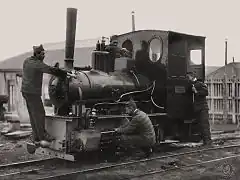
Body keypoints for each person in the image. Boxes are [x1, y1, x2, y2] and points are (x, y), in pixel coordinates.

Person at [21, 44, 68, 143]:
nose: (44, 56)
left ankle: (36, 136)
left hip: (25, 92)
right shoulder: (37, 64)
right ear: (37, 54)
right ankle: (43, 136)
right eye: (42, 54)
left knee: (33, 114)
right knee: (39, 113)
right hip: (32, 92)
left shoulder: (27, 61)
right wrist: (64, 73)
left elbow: (46, 68)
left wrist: (54, 69)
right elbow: (49, 69)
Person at [186, 72, 212, 145]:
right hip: (196, 109)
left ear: (192, 77)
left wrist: (196, 92)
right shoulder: (190, 85)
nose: (187, 79)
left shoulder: (200, 84)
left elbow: (206, 92)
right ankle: (202, 140)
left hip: (202, 108)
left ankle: (208, 142)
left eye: (188, 77)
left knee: (204, 125)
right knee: (199, 125)